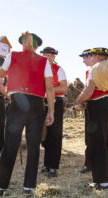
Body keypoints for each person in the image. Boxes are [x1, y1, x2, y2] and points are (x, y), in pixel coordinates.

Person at [0, 32, 54, 196]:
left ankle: (0, 187)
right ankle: (29, 187)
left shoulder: (12, 55)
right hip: (37, 105)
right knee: (33, 146)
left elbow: (2, 74)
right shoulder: (45, 61)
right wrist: (51, 111)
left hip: (17, 103)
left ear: (23, 44)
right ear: (37, 46)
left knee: (11, 144)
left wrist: (11, 70)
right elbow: (50, 88)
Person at [76, 47, 108, 190]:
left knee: (97, 144)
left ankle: (102, 182)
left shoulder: (95, 69)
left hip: (98, 106)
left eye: (92, 55)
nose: (90, 58)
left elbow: (89, 90)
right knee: (107, 142)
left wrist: (79, 101)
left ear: (100, 57)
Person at [39, 47, 67, 178]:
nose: (48, 58)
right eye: (46, 55)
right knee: (44, 135)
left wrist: (48, 90)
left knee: (55, 134)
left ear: (54, 57)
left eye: (51, 55)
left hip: (56, 102)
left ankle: (53, 166)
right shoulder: (38, 69)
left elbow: (63, 87)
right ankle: (46, 164)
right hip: (41, 103)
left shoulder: (58, 69)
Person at [78, 49, 93, 174]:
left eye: (84, 58)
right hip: (93, 105)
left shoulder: (92, 71)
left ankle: (89, 164)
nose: (83, 61)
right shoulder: (89, 71)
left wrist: (80, 101)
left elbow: (89, 89)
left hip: (94, 106)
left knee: (90, 137)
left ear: (91, 57)